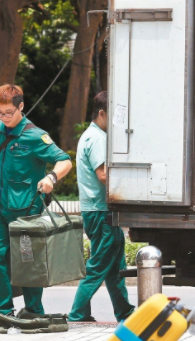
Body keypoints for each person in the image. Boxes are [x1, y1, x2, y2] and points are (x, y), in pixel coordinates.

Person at [0, 84, 72, 326]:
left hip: (26, 212)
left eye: (9, 112)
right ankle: (1, 311)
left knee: (28, 261)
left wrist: (51, 178)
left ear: (21, 106)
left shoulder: (34, 136)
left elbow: (64, 160)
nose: (4, 118)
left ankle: (33, 309)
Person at [69, 91, 135, 322]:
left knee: (115, 267)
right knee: (98, 265)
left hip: (99, 211)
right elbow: (103, 175)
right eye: (113, 115)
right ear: (101, 113)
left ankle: (125, 313)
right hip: (100, 212)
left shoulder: (91, 136)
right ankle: (77, 314)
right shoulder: (97, 138)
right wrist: (133, 186)